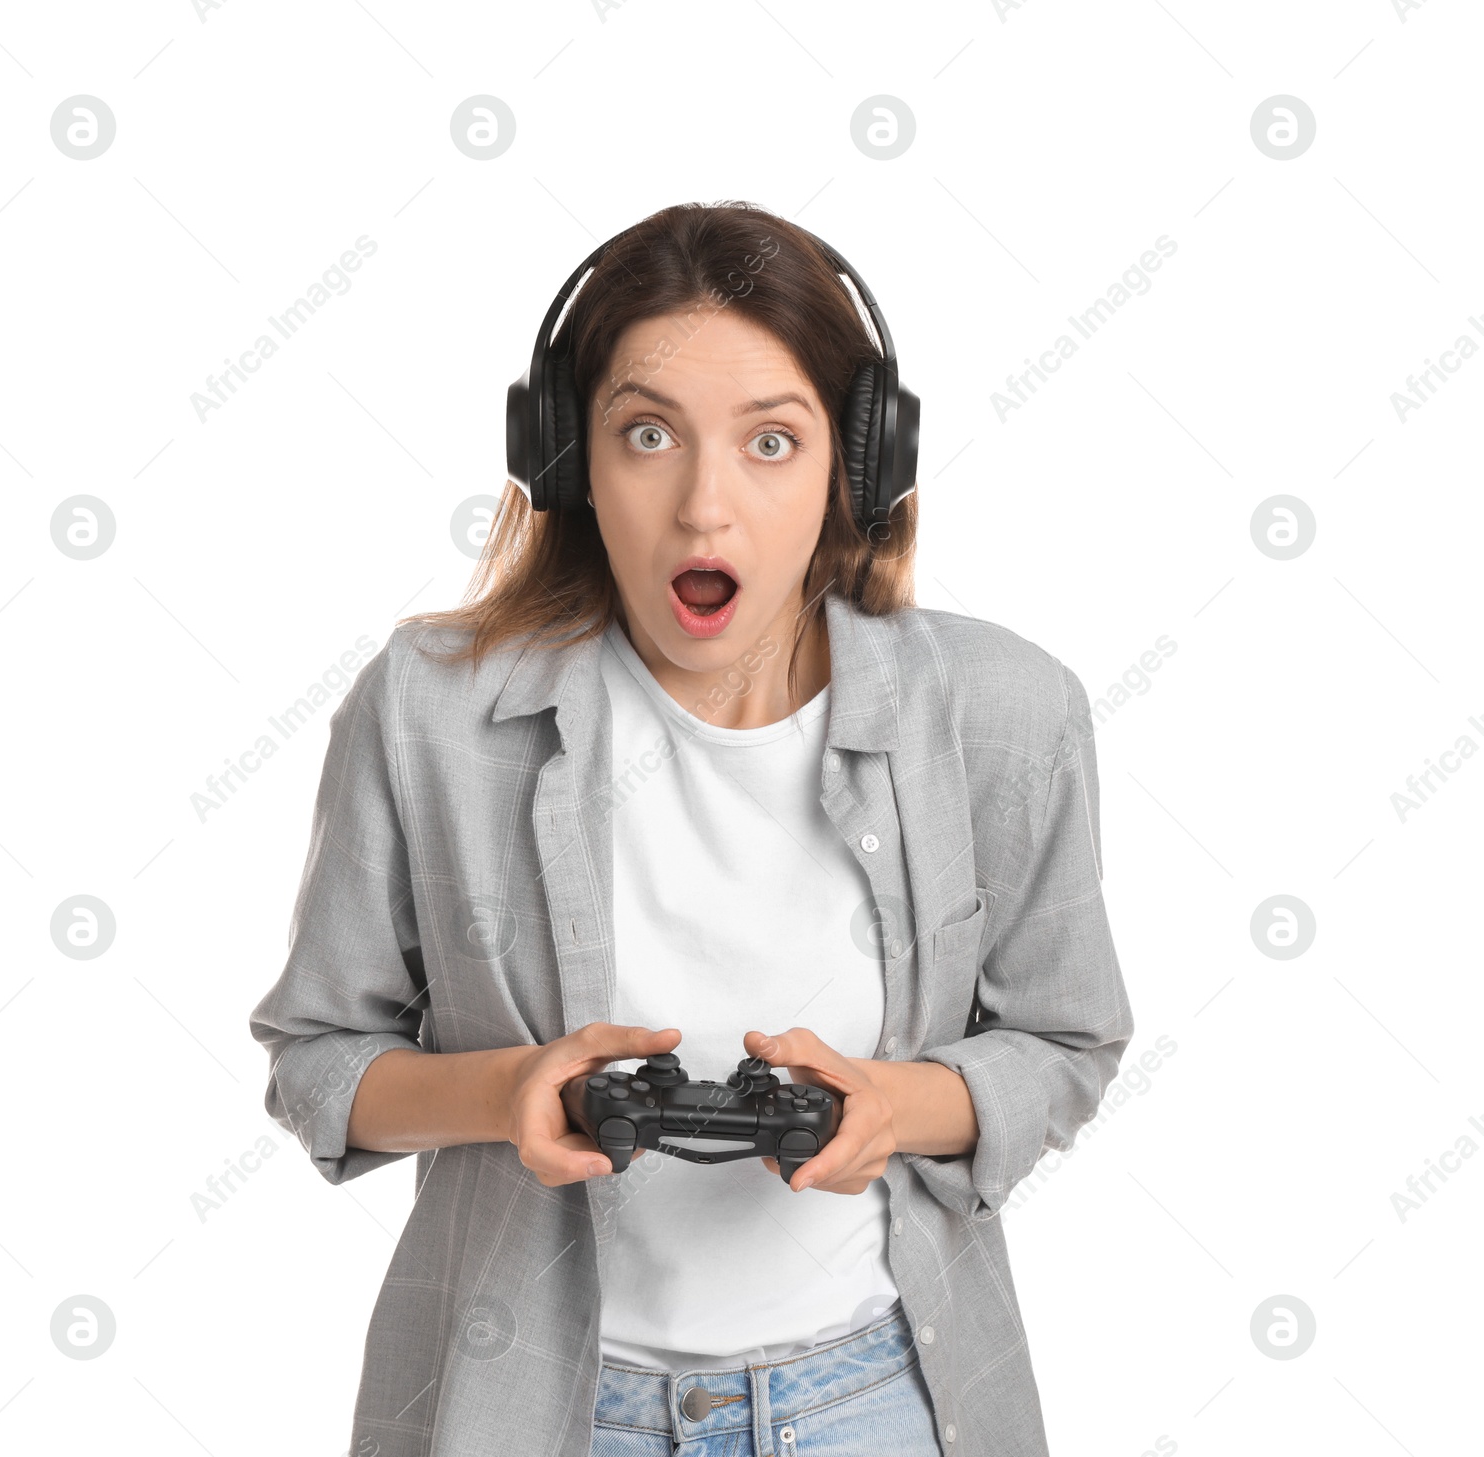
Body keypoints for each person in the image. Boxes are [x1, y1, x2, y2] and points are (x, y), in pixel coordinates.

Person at [249, 200, 1133, 1457]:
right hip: (537, 1410)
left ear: (856, 467)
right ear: (565, 458)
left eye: (771, 441)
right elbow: (318, 1058)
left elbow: (1065, 1040)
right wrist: (503, 1091)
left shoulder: (1004, 716)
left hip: (879, 1404)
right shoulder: (430, 709)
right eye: (647, 434)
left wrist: (897, 1103)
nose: (704, 508)